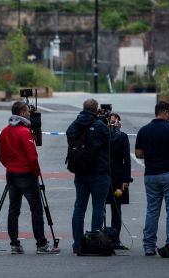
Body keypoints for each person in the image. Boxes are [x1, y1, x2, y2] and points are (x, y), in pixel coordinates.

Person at [0, 101, 61, 255]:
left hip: (11, 174)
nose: (29, 114)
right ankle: (41, 244)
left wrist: (10, 166)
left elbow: (1, 156)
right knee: (36, 209)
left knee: (14, 209)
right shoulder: (25, 132)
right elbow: (32, 156)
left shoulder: (5, 131)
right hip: (26, 174)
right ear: (20, 113)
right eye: (27, 111)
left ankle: (14, 244)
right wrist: (36, 172)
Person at [134, 100, 169, 256]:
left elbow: (138, 154)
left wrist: (151, 154)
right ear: (165, 112)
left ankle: (149, 246)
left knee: (152, 210)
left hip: (150, 174)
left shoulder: (144, 130)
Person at [65, 98, 110, 254]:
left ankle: (77, 244)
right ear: (96, 109)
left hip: (80, 172)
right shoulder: (99, 125)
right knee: (98, 206)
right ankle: (95, 242)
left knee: (79, 207)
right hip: (98, 172)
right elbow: (110, 139)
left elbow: (69, 135)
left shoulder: (75, 124)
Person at [105, 112, 132, 249]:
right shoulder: (120, 136)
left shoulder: (107, 136)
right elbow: (126, 160)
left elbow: (127, 159)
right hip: (116, 176)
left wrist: (126, 179)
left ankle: (111, 238)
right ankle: (112, 240)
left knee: (112, 208)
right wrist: (126, 178)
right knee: (115, 208)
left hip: (106, 175)